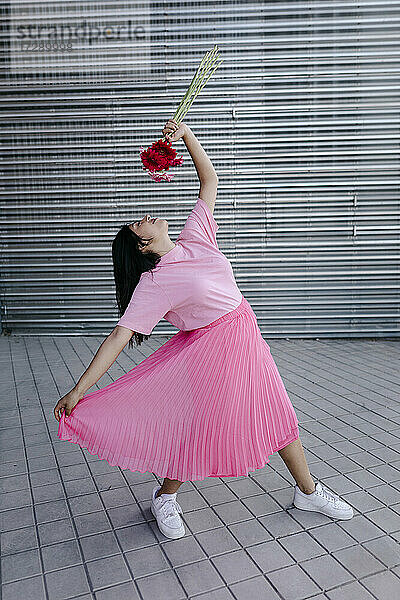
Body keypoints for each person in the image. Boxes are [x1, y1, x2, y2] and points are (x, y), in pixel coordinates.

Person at [54, 119, 353, 541]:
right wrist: (79, 390)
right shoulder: (153, 283)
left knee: (279, 414)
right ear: (141, 246)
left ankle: (308, 491)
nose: (144, 217)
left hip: (246, 340)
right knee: (201, 428)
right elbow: (119, 337)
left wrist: (185, 135)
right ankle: (164, 497)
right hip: (210, 356)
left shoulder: (196, 237)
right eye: (136, 225)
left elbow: (209, 178)